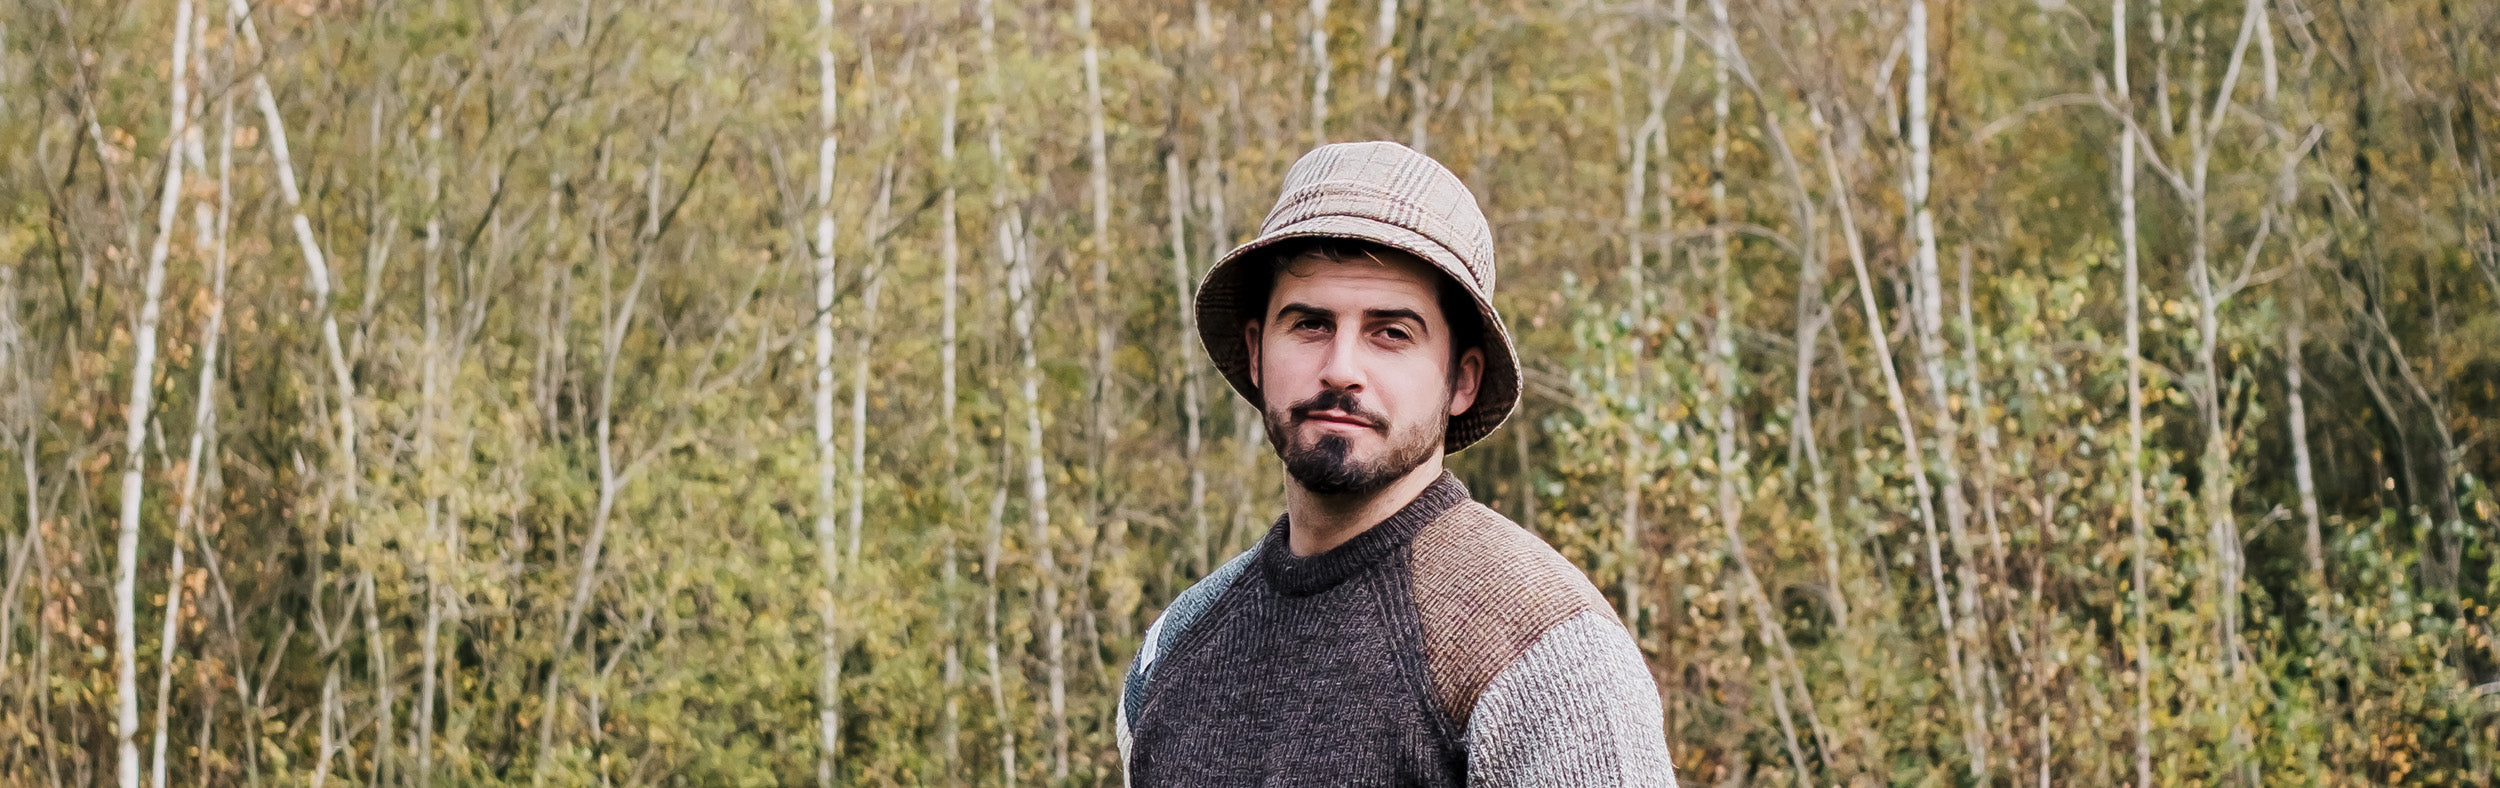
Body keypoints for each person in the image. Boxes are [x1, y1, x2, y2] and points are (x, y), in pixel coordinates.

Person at [1117, 141, 1678, 787]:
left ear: (1461, 380)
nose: (1341, 369)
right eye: (1309, 324)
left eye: (1391, 332)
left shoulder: (1542, 650)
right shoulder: (1176, 649)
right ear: (1255, 353)